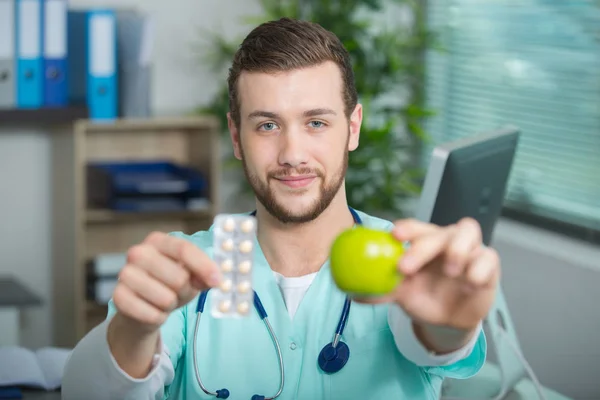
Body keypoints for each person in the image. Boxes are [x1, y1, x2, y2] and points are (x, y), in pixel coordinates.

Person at [62, 17, 500, 400]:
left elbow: (431, 333)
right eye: (267, 125)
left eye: (315, 122)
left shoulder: (404, 261)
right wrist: (135, 330)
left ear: (352, 128)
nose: (292, 153)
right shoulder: (183, 269)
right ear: (236, 137)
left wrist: (451, 328)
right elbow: (88, 392)